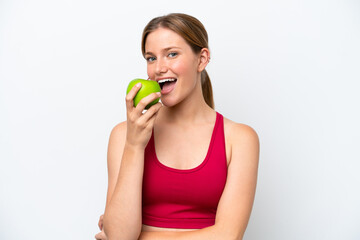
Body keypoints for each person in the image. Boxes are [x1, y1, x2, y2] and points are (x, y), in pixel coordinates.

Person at [95, 13, 259, 240]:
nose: (159, 68)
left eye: (171, 54)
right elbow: (121, 235)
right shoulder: (124, 135)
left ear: (201, 59)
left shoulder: (239, 139)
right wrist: (134, 146)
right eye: (151, 58)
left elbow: (228, 236)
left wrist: (140, 237)